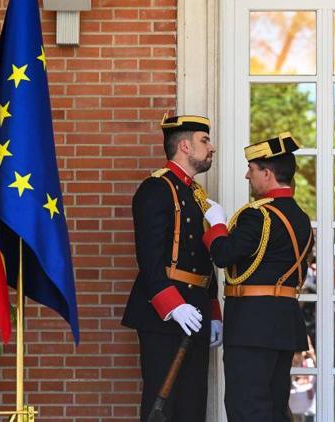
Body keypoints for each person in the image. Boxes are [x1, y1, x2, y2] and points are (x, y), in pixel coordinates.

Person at [201, 132, 313, 421]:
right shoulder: (300, 216)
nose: (247, 176)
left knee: (247, 407)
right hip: (283, 322)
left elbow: (224, 255)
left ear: (267, 172)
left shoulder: (258, 215)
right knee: (275, 408)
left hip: (252, 324)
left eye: (251, 170)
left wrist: (216, 225)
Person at [121, 113, 223, 422]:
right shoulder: (156, 188)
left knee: (193, 405)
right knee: (162, 404)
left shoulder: (195, 194)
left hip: (196, 308)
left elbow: (202, 258)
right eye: (204, 141)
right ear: (184, 146)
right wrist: (173, 305)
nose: (212, 147)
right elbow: (149, 257)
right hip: (164, 312)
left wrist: (213, 310)